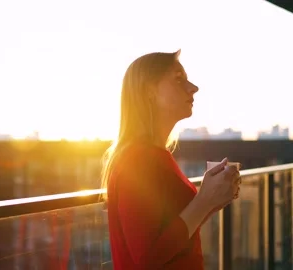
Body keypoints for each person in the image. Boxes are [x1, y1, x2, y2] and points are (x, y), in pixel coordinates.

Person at [100, 50, 241, 269]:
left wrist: (212, 200)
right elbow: (148, 256)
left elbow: (172, 227)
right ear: (148, 92)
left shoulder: (155, 155)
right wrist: (203, 202)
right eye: (178, 79)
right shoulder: (136, 160)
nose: (193, 87)